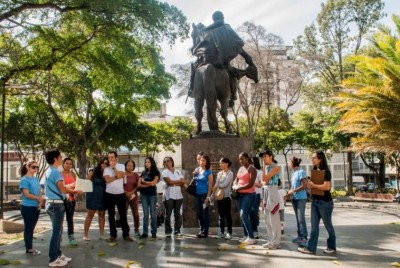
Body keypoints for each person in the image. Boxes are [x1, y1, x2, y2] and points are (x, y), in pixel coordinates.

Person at [190, 11, 258, 107]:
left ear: (213, 19)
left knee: (195, 70)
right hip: (222, 63)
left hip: (207, 62)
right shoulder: (226, 28)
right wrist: (247, 57)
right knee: (232, 75)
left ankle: (192, 89)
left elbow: (195, 50)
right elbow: (237, 46)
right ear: (222, 17)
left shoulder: (204, 32)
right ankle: (233, 97)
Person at [44, 148, 82, 267]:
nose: (61, 158)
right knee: (56, 232)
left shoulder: (50, 170)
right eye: (60, 157)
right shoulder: (55, 172)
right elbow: (63, 189)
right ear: (55, 159)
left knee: (59, 231)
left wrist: (71, 188)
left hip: (52, 203)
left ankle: (58, 254)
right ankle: (53, 258)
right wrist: (76, 190)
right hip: (56, 204)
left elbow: (61, 187)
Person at [298, 151, 337, 255]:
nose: (312, 160)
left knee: (328, 225)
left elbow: (327, 187)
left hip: (325, 203)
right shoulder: (315, 170)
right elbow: (314, 187)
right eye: (312, 158)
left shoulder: (326, 171)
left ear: (320, 159)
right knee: (314, 226)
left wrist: (314, 185)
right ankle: (311, 248)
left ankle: (332, 246)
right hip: (315, 201)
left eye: (314, 158)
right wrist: (310, 185)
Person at [104, 151, 133, 242]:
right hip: (109, 194)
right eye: (109, 157)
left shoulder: (121, 166)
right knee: (111, 215)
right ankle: (113, 235)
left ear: (116, 158)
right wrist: (116, 176)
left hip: (120, 194)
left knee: (123, 215)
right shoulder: (105, 169)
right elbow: (107, 180)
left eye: (112, 157)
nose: (110, 159)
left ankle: (126, 234)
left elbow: (121, 175)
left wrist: (114, 169)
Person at [19, 160, 42, 255]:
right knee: (28, 227)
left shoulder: (36, 179)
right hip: (27, 207)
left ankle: (30, 246)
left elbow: (40, 190)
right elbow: (26, 194)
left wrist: (40, 200)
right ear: (27, 167)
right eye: (33, 167)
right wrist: (38, 198)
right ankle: (29, 248)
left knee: (32, 227)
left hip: (36, 206)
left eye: (37, 167)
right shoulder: (24, 180)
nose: (36, 169)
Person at [260, 150, 282, 250]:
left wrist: (264, 168)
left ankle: (276, 242)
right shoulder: (267, 167)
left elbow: (265, 178)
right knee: (267, 217)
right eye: (263, 157)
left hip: (272, 190)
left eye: (265, 156)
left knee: (274, 218)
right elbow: (263, 181)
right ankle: (270, 240)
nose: (264, 159)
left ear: (271, 156)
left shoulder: (276, 167)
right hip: (265, 190)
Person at [234, 152, 257, 245]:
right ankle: (246, 236)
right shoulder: (241, 168)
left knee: (243, 215)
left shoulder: (252, 168)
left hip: (249, 194)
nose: (240, 161)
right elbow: (237, 178)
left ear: (247, 158)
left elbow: (251, 183)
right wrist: (234, 185)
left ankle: (251, 237)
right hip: (240, 195)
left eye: (242, 158)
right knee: (243, 216)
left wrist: (240, 187)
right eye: (239, 159)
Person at [83, 158, 108, 241]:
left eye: (106, 163)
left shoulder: (107, 173)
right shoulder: (92, 171)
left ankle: (101, 234)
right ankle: (85, 235)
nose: (104, 164)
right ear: (99, 163)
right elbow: (86, 183)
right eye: (102, 163)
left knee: (102, 215)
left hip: (103, 197)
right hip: (92, 196)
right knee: (90, 215)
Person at [161, 156, 186, 238]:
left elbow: (183, 182)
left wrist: (173, 183)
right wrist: (178, 182)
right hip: (169, 196)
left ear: (172, 162)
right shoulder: (164, 172)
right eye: (165, 162)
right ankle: (168, 231)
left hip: (178, 195)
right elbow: (169, 182)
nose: (166, 163)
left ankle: (177, 231)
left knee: (177, 214)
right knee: (168, 214)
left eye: (168, 161)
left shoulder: (178, 172)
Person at [287, 156, 308, 247]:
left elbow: (304, 185)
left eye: (289, 162)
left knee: (301, 219)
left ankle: (304, 237)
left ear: (293, 163)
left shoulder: (301, 172)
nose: (288, 163)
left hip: (301, 199)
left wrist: (294, 191)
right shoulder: (293, 173)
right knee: (297, 218)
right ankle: (299, 236)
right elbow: (294, 186)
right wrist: (289, 192)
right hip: (294, 198)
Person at [138, 157, 160, 239]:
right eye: (146, 162)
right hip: (143, 195)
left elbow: (153, 183)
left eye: (148, 162)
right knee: (146, 214)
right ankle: (145, 232)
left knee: (153, 214)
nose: (147, 163)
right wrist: (148, 184)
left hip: (152, 195)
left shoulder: (156, 172)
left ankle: (154, 232)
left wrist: (144, 182)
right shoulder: (143, 173)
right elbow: (139, 185)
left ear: (152, 163)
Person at [193, 154, 213, 238]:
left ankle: (205, 231)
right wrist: (194, 174)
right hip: (197, 194)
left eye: (203, 160)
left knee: (205, 213)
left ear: (206, 162)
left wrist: (208, 197)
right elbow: (194, 181)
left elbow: (210, 185)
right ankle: (201, 229)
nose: (201, 162)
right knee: (199, 213)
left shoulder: (209, 171)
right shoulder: (197, 170)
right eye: (201, 160)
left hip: (204, 194)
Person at [214, 157, 234, 240]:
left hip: (226, 197)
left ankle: (229, 232)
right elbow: (216, 183)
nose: (220, 164)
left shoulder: (230, 173)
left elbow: (225, 184)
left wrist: (218, 186)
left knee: (227, 215)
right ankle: (221, 231)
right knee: (221, 215)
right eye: (220, 163)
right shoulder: (219, 173)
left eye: (222, 163)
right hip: (219, 196)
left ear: (227, 164)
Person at [61, 158, 78, 246]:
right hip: (62, 200)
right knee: (60, 220)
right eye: (66, 163)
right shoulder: (59, 174)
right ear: (63, 164)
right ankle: (58, 238)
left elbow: (77, 185)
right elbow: (61, 188)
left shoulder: (73, 174)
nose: (68, 165)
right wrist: (71, 187)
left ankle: (71, 238)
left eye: (70, 164)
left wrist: (77, 190)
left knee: (70, 219)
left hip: (72, 200)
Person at [124, 159, 140, 237]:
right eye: (128, 165)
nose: (130, 167)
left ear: (133, 167)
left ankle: (136, 229)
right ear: (126, 166)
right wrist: (126, 192)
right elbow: (120, 185)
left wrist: (132, 192)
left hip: (134, 196)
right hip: (124, 196)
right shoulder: (123, 175)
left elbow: (138, 185)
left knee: (136, 214)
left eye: (131, 166)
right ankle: (126, 229)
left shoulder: (136, 175)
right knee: (124, 214)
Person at [252, 156, 263, 239]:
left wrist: (252, 183)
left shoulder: (259, 172)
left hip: (256, 195)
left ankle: (255, 231)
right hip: (247, 194)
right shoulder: (247, 171)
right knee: (248, 213)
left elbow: (260, 185)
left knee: (254, 213)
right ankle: (249, 231)